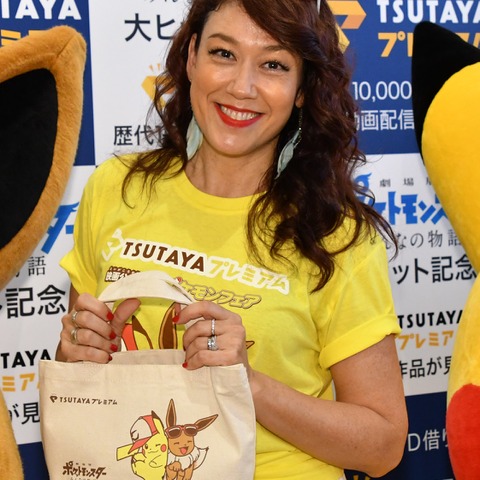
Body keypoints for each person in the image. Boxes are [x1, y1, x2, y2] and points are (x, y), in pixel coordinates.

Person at [56, 0, 408, 478]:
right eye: (223, 54)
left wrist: (249, 383)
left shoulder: (335, 234)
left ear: (302, 89)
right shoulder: (116, 188)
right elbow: (78, 364)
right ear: (191, 58)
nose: (242, 87)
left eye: (273, 65)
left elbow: (383, 446)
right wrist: (77, 351)